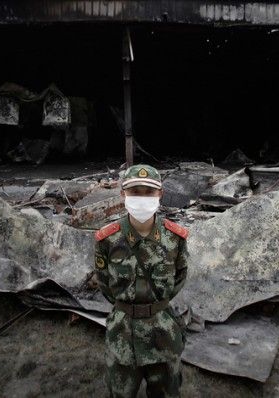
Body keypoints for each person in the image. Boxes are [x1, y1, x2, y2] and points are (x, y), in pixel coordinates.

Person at [94, 164, 189, 398]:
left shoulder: (174, 238)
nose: (142, 198)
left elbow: (179, 276)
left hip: (162, 332)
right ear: (123, 194)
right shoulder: (108, 238)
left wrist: (155, 304)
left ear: (160, 195)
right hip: (123, 333)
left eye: (149, 192)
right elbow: (105, 284)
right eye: (135, 191)